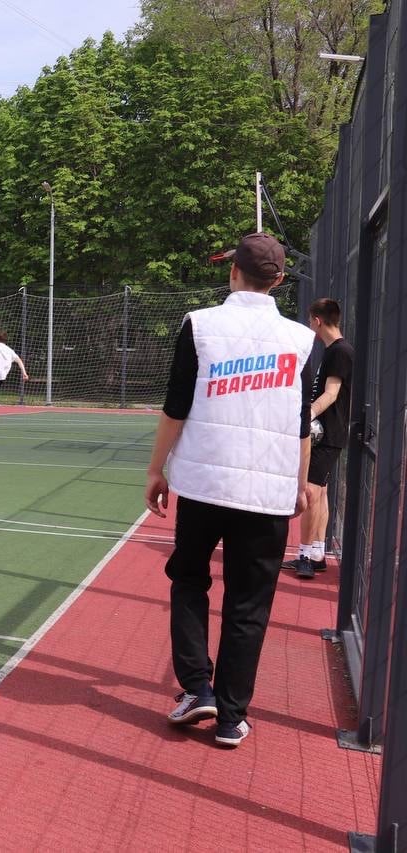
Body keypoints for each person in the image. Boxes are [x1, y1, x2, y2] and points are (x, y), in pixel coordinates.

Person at [144, 232, 314, 748]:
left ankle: (198, 687)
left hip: (203, 482)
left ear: (231, 272)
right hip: (266, 491)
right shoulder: (301, 340)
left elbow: (177, 405)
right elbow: (301, 422)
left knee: (190, 580)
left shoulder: (200, 325)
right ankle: (231, 716)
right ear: (279, 280)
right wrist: (300, 485)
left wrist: (157, 469)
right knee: (249, 601)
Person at [284, 298, 354, 579]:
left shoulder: (339, 351)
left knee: (310, 493)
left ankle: (304, 556)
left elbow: (331, 393)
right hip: (327, 433)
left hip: (327, 433)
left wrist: (307, 415)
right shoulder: (335, 350)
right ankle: (316, 552)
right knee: (321, 493)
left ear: (317, 320)